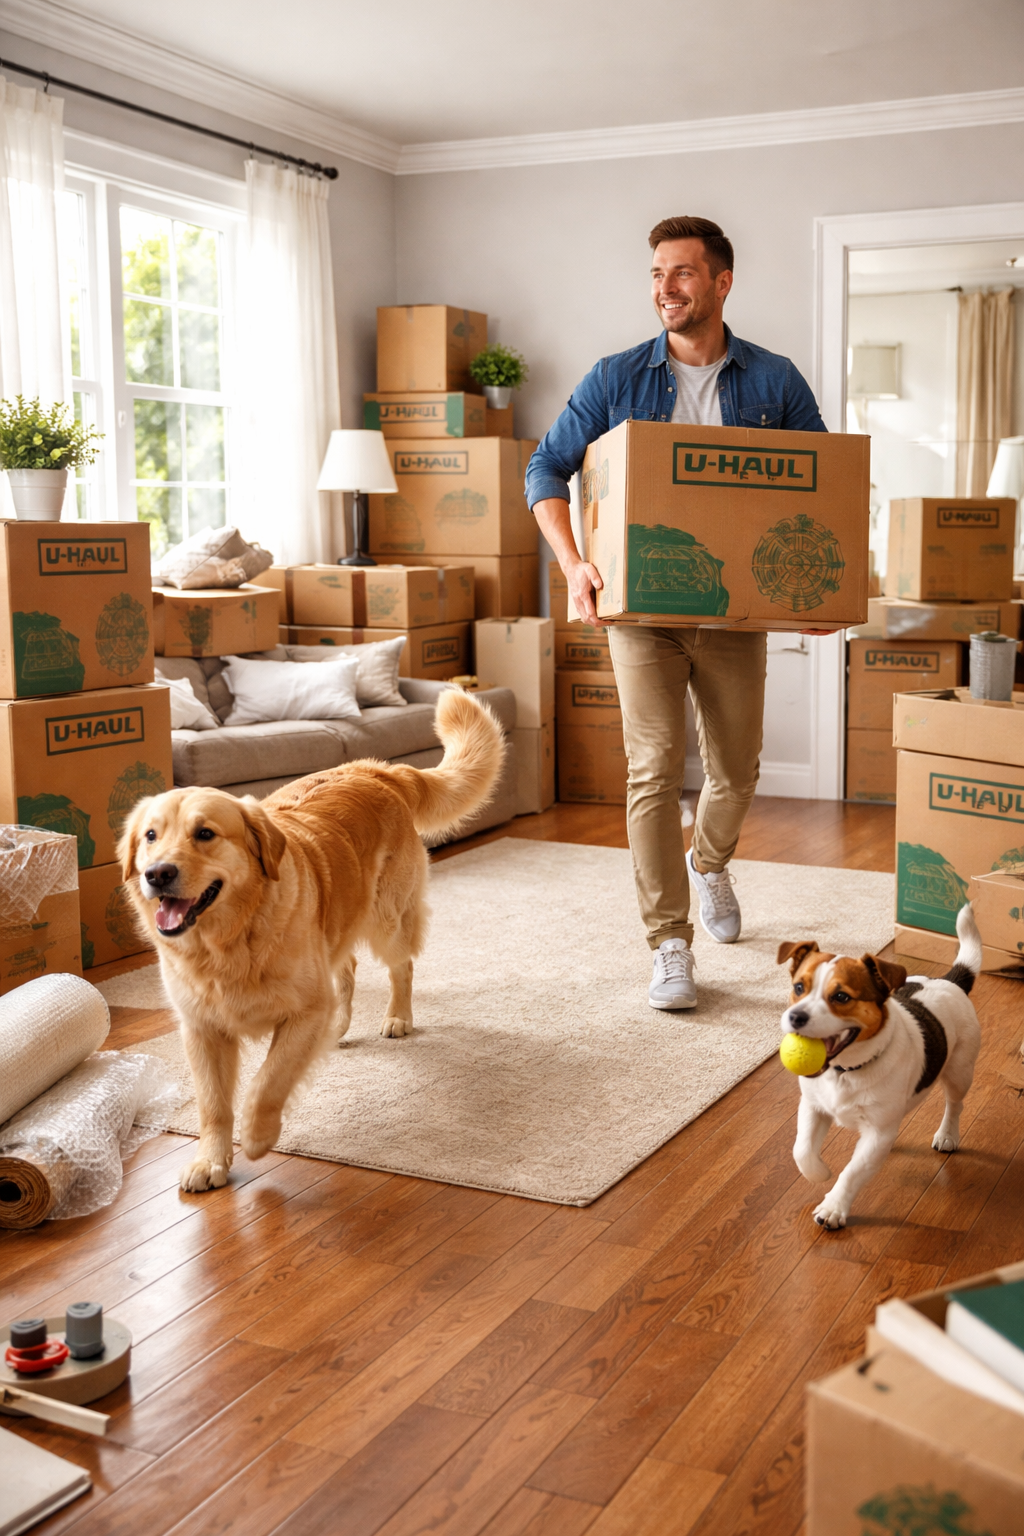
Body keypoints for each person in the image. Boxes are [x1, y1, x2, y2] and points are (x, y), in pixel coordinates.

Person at [526, 215, 827, 1012]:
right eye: (657, 272)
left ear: (721, 283)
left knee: (736, 770)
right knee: (653, 768)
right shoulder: (615, 377)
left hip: (732, 614)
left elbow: (822, 485)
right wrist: (575, 564)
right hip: (642, 612)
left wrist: (819, 592)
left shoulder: (775, 381)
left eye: (683, 273)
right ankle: (669, 943)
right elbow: (546, 467)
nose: (665, 287)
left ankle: (710, 860)